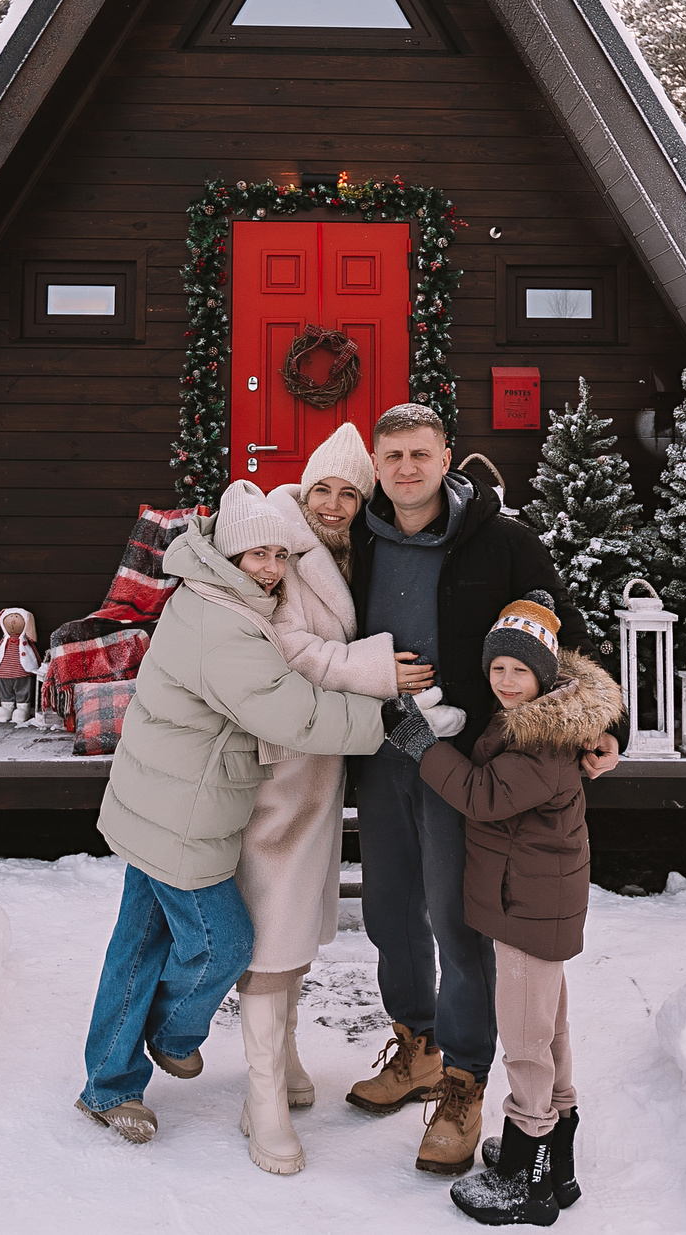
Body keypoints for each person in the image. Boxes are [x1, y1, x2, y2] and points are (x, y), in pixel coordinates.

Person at [78, 481, 398, 1150]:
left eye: (280, 554)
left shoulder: (220, 597)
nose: (272, 568)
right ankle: (172, 1037)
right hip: (180, 814)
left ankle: (108, 1085)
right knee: (224, 942)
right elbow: (292, 712)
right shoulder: (222, 623)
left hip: (161, 799)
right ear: (228, 554)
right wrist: (385, 718)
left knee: (138, 945)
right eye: (258, 554)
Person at [346, 403, 623, 1176]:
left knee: (458, 920)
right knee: (389, 910)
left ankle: (464, 1080)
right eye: (393, 455)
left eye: (420, 453)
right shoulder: (357, 540)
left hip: (469, 766)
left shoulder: (503, 540)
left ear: (447, 458)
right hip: (380, 753)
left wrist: (601, 726)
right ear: (376, 464)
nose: (407, 468)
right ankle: (418, 1046)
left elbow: (564, 639)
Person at [236, 426, 447, 1172]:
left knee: (296, 920)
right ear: (303, 489)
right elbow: (288, 648)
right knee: (273, 923)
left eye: (347, 493)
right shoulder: (281, 548)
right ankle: (261, 1098)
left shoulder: (348, 552)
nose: (332, 503)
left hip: (321, 765)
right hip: (280, 764)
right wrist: (378, 669)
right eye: (321, 488)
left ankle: (285, 1060)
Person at [378, 595, 622, 1226]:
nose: (507, 682)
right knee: (548, 1032)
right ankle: (555, 1160)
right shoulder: (548, 722)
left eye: (520, 670)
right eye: (498, 669)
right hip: (537, 904)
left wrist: (421, 745)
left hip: (528, 910)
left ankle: (527, 1176)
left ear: (545, 675)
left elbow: (481, 795)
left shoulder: (540, 744)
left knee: (525, 1045)